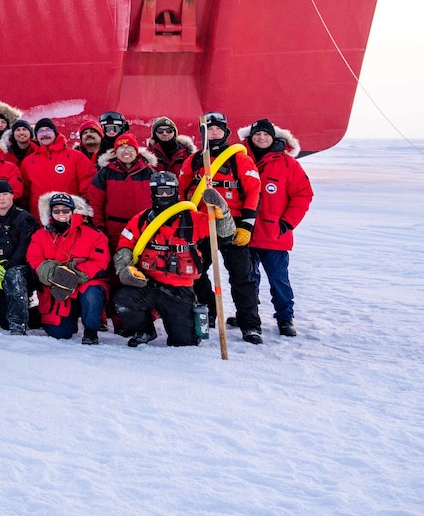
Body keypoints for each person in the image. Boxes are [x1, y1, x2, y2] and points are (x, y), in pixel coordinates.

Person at [112, 170, 218, 347]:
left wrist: (222, 212)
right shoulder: (142, 219)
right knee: (123, 299)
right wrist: (124, 268)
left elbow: (222, 233)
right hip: (148, 284)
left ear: (176, 192)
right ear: (152, 192)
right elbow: (125, 244)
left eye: (168, 191)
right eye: (159, 190)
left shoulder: (193, 219)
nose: (163, 195)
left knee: (184, 342)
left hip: (179, 291)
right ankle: (145, 330)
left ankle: (186, 322)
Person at [186, 111, 265, 342]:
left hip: (233, 225)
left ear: (226, 132)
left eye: (218, 129)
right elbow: (183, 191)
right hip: (201, 224)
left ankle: (249, 324)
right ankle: (210, 310)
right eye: (209, 129)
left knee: (242, 277)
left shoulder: (239, 159)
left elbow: (253, 192)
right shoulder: (195, 160)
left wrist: (247, 227)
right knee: (196, 272)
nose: (214, 132)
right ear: (203, 133)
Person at [242, 118, 313, 337]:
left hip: (274, 234)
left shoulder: (288, 164)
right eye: (257, 134)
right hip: (245, 232)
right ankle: (249, 315)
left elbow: (303, 194)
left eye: (265, 134)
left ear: (274, 137)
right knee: (247, 279)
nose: (261, 138)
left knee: (278, 279)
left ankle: (285, 318)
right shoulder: (240, 159)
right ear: (250, 137)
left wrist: (287, 223)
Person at [27, 191, 110, 344]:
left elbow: (100, 262)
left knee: (92, 293)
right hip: (59, 290)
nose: (61, 214)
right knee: (59, 333)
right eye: (56, 210)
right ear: (50, 212)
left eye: (66, 210)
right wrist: (54, 274)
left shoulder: (93, 234)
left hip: (85, 284)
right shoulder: (40, 235)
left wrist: (72, 273)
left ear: (73, 211)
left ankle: (91, 332)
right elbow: (34, 260)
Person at [0, 178, 38, 334]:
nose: (1, 198)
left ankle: (20, 325)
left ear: (12, 196)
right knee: (4, 322)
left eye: (5, 194)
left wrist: (6, 266)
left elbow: (25, 249)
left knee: (13, 274)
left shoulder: (25, 219)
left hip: (20, 270)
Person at [86, 133, 157, 253]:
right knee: (116, 262)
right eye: (121, 148)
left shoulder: (150, 173)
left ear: (136, 151)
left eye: (129, 147)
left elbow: (159, 201)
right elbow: (95, 203)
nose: (126, 151)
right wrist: (99, 228)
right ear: (116, 152)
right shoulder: (105, 173)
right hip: (113, 229)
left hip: (144, 228)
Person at [20, 117, 95, 206]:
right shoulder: (27, 162)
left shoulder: (76, 157)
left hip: (68, 215)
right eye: (40, 131)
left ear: (55, 133)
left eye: (48, 130)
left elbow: (88, 188)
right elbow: (25, 193)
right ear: (36, 136)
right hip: (38, 216)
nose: (44, 134)